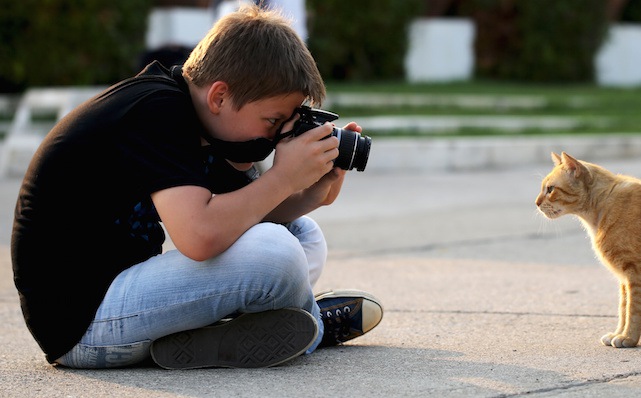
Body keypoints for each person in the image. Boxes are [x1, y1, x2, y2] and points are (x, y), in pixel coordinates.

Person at [11, 4, 382, 370]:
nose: (275, 134)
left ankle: (264, 326)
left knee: (303, 234)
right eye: (272, 120)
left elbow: (241, 215)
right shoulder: (157, 110)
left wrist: (310, 193)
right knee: (277, 253)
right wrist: (282, 177)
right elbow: (200, 236)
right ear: (219, 96)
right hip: (82, 326)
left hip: (131, 300)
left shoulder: (201, 120)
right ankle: (310, 324)